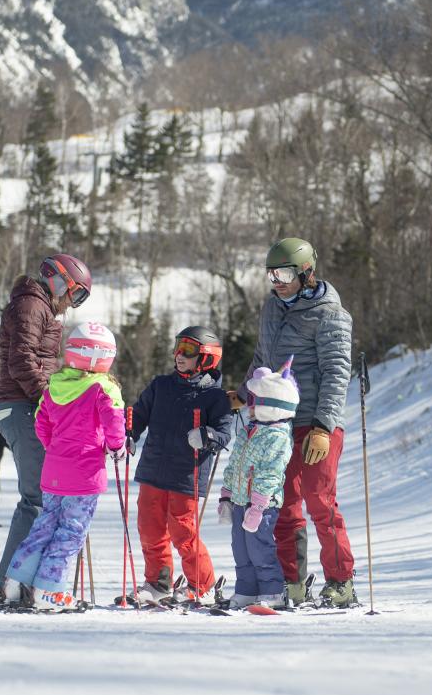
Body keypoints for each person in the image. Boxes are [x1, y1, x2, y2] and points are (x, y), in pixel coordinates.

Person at [235, 237, 358, 608]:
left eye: (285, 273)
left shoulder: (331, 315)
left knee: (320, 501)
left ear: (306, 273)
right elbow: (263, 356)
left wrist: (323, 426)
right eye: (271, 274)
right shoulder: (272, 309)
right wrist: (244, 394)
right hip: (278, 423)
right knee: (283, 503)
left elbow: (337, 372)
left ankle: (341, 581)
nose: (277, 281)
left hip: (317, 423)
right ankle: (292, 581)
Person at [0, 253, 92, 604]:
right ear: (60, 282)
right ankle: (9, 584)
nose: (70, 304)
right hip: (22, 406)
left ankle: (22, 580)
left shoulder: (38, 306)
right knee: (38, 498)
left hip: (25, 405)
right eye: (74, 295)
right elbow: (22, 361)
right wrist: (51, 401)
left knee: (44, 497)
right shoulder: (32, 305)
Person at [4, 321, 126, 611]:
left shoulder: (54, 386)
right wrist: (117, 447)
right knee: (71, 532)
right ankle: (49, 589)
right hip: (83, 475)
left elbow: (41, 424)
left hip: (55, 471)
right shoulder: (102, 388)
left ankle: (15, 581)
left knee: (44, 525)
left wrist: (56, 449)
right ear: (101, 357)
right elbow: (114, 423)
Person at [127, 326, 232, 606]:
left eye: (187, 350)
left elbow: (224, 433)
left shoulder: (215, 398)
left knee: (183, 533)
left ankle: (202, 584)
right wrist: (129, 434)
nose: (178, 355)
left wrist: (207, 436)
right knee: (149, 529)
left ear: (206, 358)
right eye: (177, 347)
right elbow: (138, 414)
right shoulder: (161, 385)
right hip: (152, 471)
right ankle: (158, 582)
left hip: (187, 475)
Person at [217, 363, 298, 610]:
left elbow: (270, 474)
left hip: (261, 504)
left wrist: (258, 506)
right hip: (241, 500)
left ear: (271, 406)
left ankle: (273, 591)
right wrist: (226, 495)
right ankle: (247, 590)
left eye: (253, 401)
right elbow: (235, 464)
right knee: (240, 549)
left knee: (259, 548)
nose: (248, 407)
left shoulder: (277, 436)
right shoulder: (249, 430)